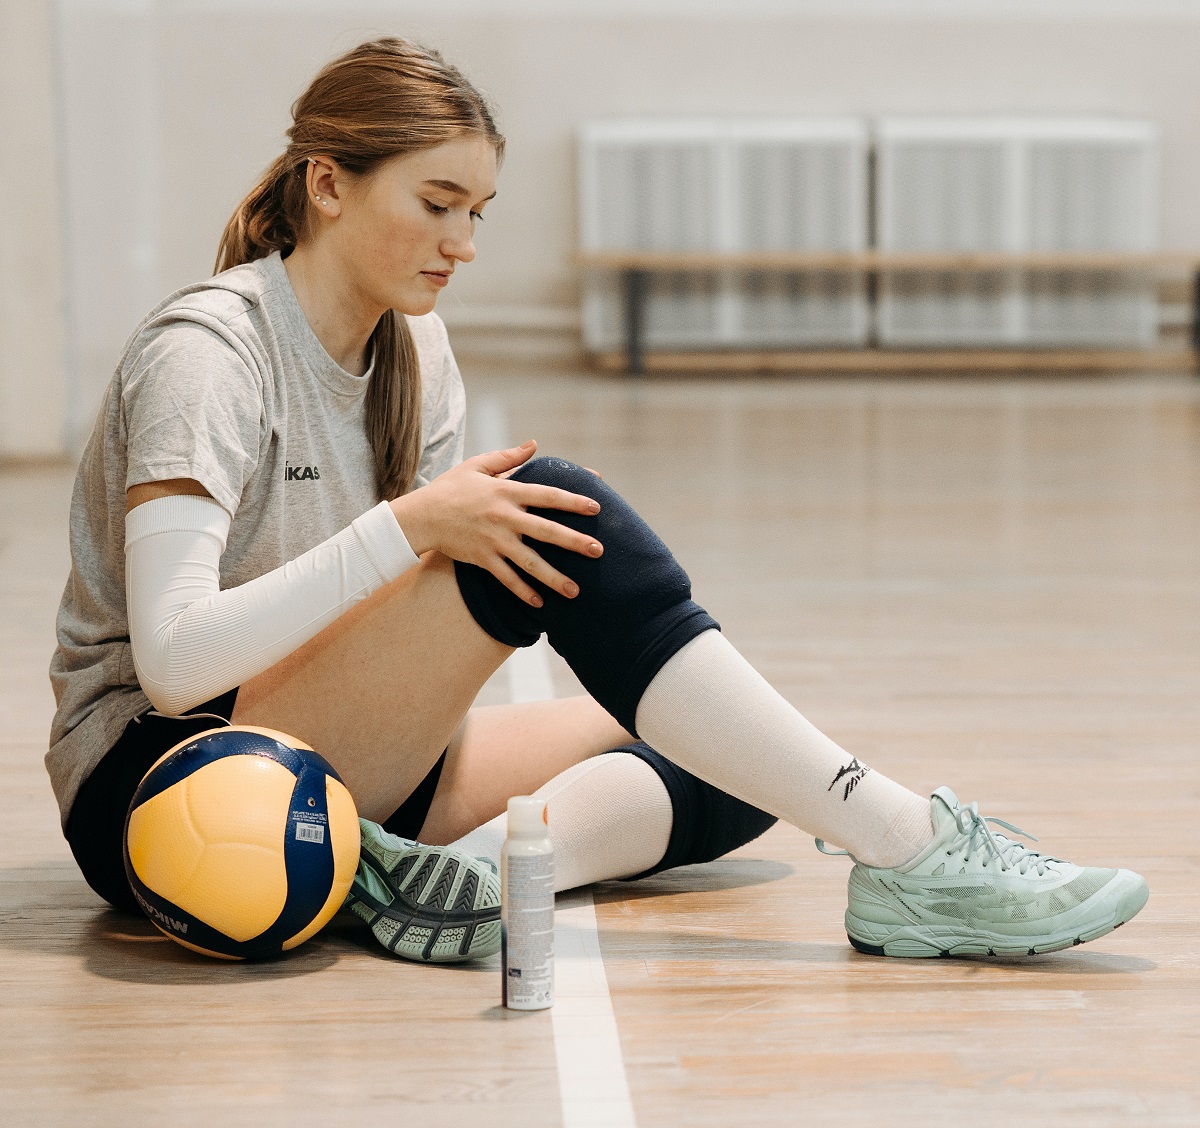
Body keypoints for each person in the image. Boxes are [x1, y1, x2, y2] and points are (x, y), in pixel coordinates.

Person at [48, 37, 1148, 965]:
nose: (463, 246)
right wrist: (410, 530)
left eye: (477, 210)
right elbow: (177, 661)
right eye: (436, 205)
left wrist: (416, 561)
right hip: (163, 782)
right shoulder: (210, 354)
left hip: (320, 744)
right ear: (327, 184)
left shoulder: (416, 351)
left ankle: (464, 886)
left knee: (733, 760)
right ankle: (910, 849)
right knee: (554, 505)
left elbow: (364, 629)